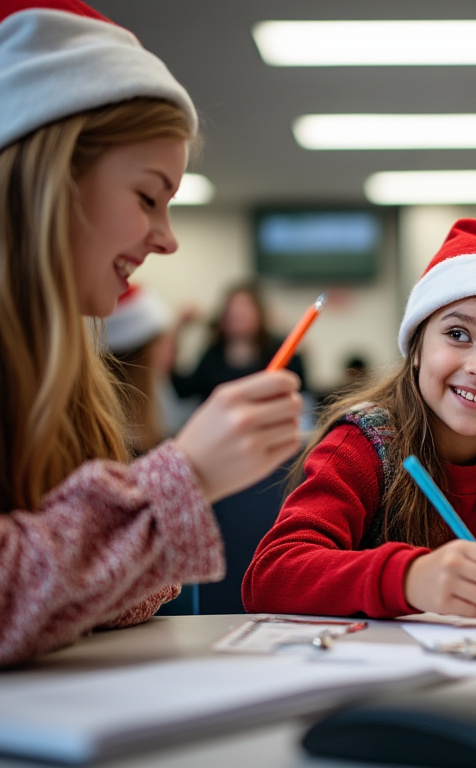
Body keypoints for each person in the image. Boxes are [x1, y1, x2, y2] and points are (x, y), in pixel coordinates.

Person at [0, 0, 303, 666]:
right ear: (49, 180)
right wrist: (183, 477)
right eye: (147, 197)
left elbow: (88, 595)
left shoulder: (63, 385)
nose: (165, 240)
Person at [243, 219, 476, 619]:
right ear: (416, 349)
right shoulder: (362, 444)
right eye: (459, 335)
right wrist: (408, 578)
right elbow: (271, 578)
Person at [171, 281, 307, 402]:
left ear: (259, 314)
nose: (238, 313)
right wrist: (179, 329)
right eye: (233, 309)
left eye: (245, 308)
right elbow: (183, 390)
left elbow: (301, 388)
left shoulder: (277, 350)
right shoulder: (213, 356)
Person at [102, 285, 196, 454]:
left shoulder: (158, 386)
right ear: (143, 353)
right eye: (162, 342)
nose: (170, 349)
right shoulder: (117, 435)